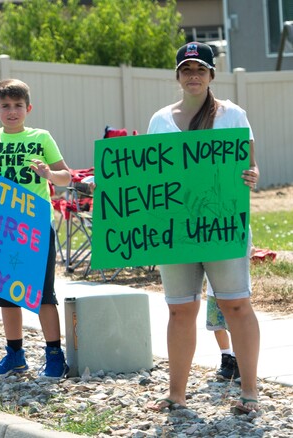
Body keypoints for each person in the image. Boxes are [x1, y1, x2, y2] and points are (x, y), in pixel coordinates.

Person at [144, 42, 260, 414]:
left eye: (200, 69)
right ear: (177, 75)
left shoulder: (233, 115)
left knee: (236, 305)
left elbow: (248, 166)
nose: (193, 76)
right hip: (175, 230)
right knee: (180, 310)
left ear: (211, 75)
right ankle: (176, 394)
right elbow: (147, 176)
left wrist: (251, 175)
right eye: (186, 69)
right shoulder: (160, 120)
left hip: (221, 226)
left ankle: (250, 392)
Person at [0, 78, 72, 378]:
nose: (12, 111)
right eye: (5, 106)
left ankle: (55, 355)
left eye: (17, 106)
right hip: (3, 228)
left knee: (42, 293)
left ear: (29, 108)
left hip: (36, 228)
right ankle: (15, 354)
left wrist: (49, 173)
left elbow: (66, 176)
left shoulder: (41, 137)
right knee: (7, 292)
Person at [205, 279, 239, 380]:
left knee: (236, 328)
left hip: (234, 291)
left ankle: (236, 361)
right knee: (216, 326)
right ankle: (226, 356)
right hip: (213, 291)